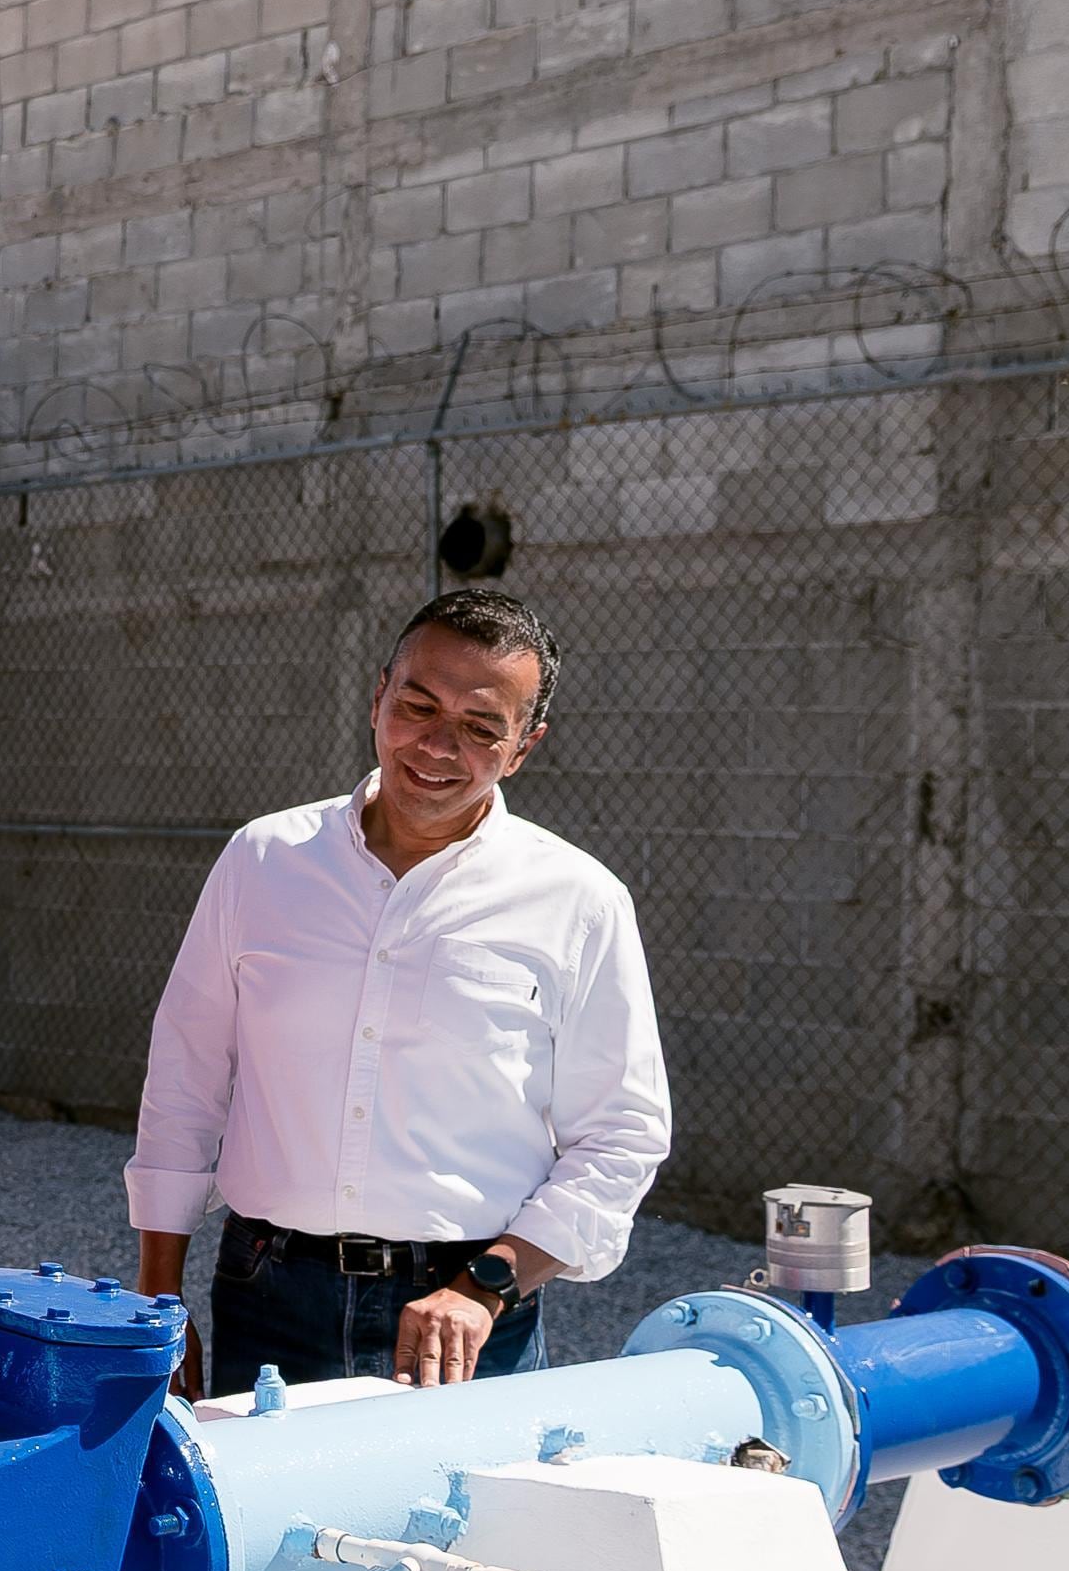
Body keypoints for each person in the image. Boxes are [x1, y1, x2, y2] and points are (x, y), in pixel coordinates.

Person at [130, 586, 670, 1402]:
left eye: (482, 727)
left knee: (464, 1534)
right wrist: (158, 1296)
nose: (438, 743)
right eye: (418, 705)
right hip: (266, 1299)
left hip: (468, 1316)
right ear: (378, 694)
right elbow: (187, 1078)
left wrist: (486, 1286)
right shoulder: (263, 862)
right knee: (259, 1530)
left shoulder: (580, 901)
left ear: (524, 748)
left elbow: (623, 1138)